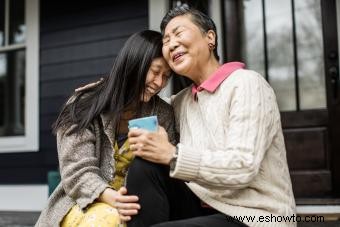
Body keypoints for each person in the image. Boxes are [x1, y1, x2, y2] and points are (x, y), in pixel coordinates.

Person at [128, 5, 297, 227]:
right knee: (145, 166)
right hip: (202, 208)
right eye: (166, 40)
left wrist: (173, 155)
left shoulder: (246, 84)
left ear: (210, 38)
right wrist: (101, 92)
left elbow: (242, 166)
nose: (171, 44)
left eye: (178, 33)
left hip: (256, 215)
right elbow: (135, 104)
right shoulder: (181, 102)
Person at [35, 30, 176, 227]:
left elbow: (165, 174)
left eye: (166, 76)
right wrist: (113, 199)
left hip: (138, 207)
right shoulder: (84, 104)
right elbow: (77, 172)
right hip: (82, 203)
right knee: (109, 219)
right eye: (155, 71)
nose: (159, 83)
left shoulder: (163, 114)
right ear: (134, 63)